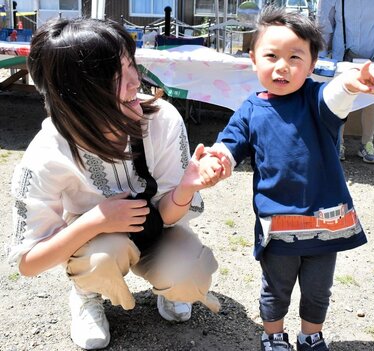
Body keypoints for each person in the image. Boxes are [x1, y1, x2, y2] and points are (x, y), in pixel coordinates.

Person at [7, 17, 230, 350]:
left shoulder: (162, 120)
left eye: (131, 65)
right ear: (78, 95)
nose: (134, 82)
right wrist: (97, 220)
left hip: (159, 229)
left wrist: (186, 188)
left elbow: (169, 215)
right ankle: (86, 295)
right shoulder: (47, 152)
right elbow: (29, 262)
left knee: (190, 275)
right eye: (117, 76)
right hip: (96, 243)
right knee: (101, 255)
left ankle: (166, 288)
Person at [207, 6, 374, 350]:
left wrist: (351, 82)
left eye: (295, 57)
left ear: (312, 64)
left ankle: (310, 335)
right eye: (271, 55)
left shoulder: (317, 100)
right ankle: (273, 335)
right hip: (280, 226)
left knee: (319, 290)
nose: (282, 66)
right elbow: (229, 144)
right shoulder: (251, 109)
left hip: (327, 224)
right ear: (253, 59)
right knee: (276, 288)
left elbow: (338, 93)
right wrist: (218, 160)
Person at [316, 0, 374, 163]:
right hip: (343, 55)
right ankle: (339, 144)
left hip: (371, 54)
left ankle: (367, 143)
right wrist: (321, 56)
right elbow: (325, 23)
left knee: (371, 101)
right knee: (342, 99)